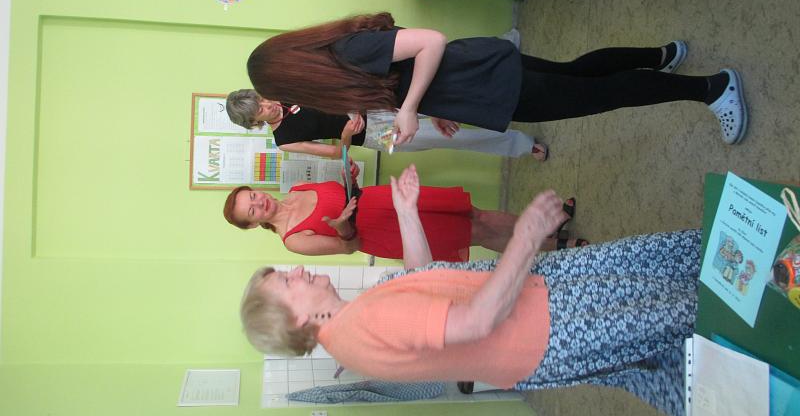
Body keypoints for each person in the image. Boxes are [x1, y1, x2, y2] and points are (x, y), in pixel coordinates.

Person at [239, 165, 699, 416]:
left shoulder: (349, 327)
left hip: (536, 308)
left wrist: (406, 212)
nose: (298, 272)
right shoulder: (363, 324)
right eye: (287, 282)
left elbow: (422, 281)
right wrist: (524, 238)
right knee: (672, 309)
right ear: (296, 319)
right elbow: (477, 322)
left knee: (660, 319)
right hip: (544, 327)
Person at [246, 13, 748, 145]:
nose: (288, 100)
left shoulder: (346, 51)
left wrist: (411, 107)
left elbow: (430, 42)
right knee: (577, 72)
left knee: (602, 95)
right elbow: (403, 78)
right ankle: (661, 56)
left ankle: (710, 89)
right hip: (475, 85)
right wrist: (431, 110)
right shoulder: (339, 64)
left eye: (283, 90)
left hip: (487, 82)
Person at [223, 162, 582, 260]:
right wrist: (344, 227)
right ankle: (554, 245)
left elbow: (347, 196)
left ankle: (548, 223)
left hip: (385, 200)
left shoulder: (295, 190)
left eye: (252, 196)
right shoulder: (293, 240)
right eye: (251, 210)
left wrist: (351, 180)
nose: (258, 202)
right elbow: (349, 247)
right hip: (385, 232)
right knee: (474, 233)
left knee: (474, 214)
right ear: (253, 224)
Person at [225, 88, 547, 159]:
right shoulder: (284, 140)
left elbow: (331, 87)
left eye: (261, 99)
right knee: (451, 137)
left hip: (372, 102)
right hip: (376, 135)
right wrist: (346, 135)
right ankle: (521, 145)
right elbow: (337, 154)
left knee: (448, 103)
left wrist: (352, 103)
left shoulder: (284, 90)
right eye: (260, 110)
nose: (267, 105)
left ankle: (512, 99)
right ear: (254, 122)